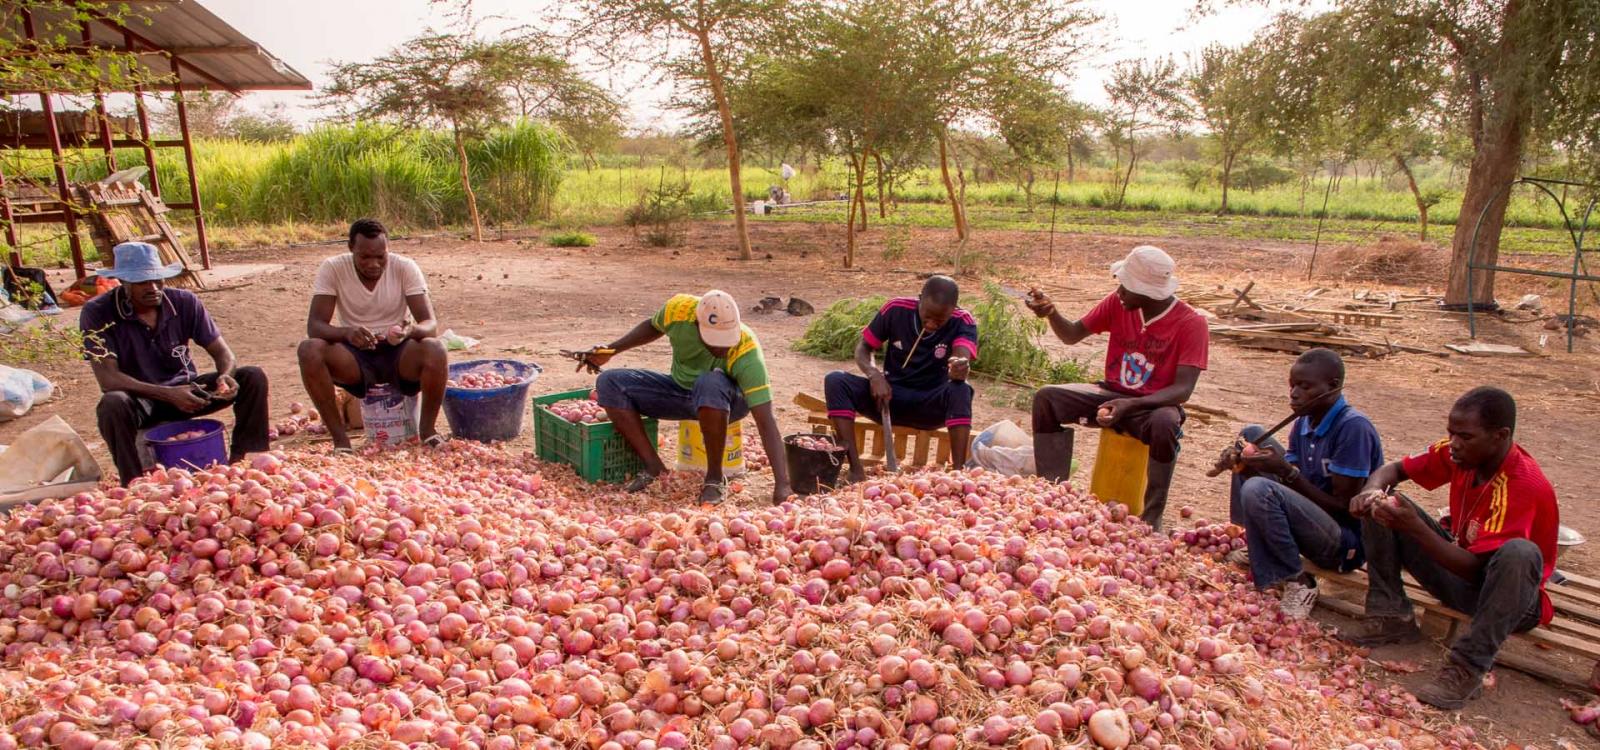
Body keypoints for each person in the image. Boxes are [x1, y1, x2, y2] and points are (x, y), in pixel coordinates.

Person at [1343, 387, 1558, 710]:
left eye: (1466, 436)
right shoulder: (1461, 454)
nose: (1454, 443)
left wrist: (1414, 525)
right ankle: (1390, 615)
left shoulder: (1520, 484)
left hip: (1510, 600)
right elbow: (1394, 471)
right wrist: (1372, 490)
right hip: (1463, 576)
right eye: (1451, 434)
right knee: (1385, 503)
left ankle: (1467, 667)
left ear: (1500, 436)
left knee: (1520, 553)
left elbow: (1475, 570)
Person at [1026, 245, 1209, 530]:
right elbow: (1071, 335)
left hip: (1152, 406)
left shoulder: (1191, 323)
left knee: (1166, 423)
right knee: (1047, 399)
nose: (1119, 291)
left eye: (1126, 286)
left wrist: (1130, 405)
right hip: (1111, 393)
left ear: (1148, 291)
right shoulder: (1117, 304)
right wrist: (1051, 313)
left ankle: (1152, 515)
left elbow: (1183, 390)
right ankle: (1054, 492)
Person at [1212, 348, 1383, 619]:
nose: (1294, 394)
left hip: (1342, 542)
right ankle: (1256, 542)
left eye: (1305, 387)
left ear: (1333, 386)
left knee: (1259, 489)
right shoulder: (1304, 421)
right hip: (1310, 518)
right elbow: (1289, 485)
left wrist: (1285, 473)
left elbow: (1345, 508)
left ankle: (1299, 582)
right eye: (1293, 385)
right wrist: (1247, 466)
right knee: (1250, 438)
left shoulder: (1354, 428)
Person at [80, 242, 269, 486]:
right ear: (122, 282)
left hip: (187, 393)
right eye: (142, 282)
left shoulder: (183, 302)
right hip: (140, 400)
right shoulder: (98, 312)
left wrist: (225, 376)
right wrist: (168, 394)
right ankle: (132, 482)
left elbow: (223, 352)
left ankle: (242, 460)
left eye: (158, 280)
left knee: (252, 377)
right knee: (112, 403)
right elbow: (108, 378)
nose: (154, 288)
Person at [579, 290, 793, 505]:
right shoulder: (679, 310)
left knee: (709, 382)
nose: (722, 347)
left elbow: (766, 421)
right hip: (681, 393)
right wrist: (612, 350)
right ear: (697, 326)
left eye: (727, 339)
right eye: (715, 340)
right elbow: (653, 326)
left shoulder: (746, 349)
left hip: (727, 403)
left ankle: (715, 479)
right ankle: (654, 467)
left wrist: (783, 485)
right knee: (609, 382)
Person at [296, 218, 448, 451]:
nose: (374, 264)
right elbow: (315, 326)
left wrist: (410, 331)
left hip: (398, 350)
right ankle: (341, 443)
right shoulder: (333, 268)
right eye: (365, 257)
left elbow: (430, 324)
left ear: (388, 250)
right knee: (309, 350)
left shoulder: (404, 267)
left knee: (435, 349)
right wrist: (347, 333)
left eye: (381, 256)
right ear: (351, 249)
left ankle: (427, 432)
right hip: (355, 354)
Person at [823, 276, 977, 482]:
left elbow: (961, 355)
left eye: (940, 321)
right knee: (835, 380)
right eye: (927, 317)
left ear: (953, 309)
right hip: (886, 399)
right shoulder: (896, 309)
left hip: (931, 405)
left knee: (961, 389)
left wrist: (959, 367)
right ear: (920, 299)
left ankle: (959, 475)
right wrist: (874, 375)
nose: (931, 325)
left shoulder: (963, 320)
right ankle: (856, 470)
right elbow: (863, 348)